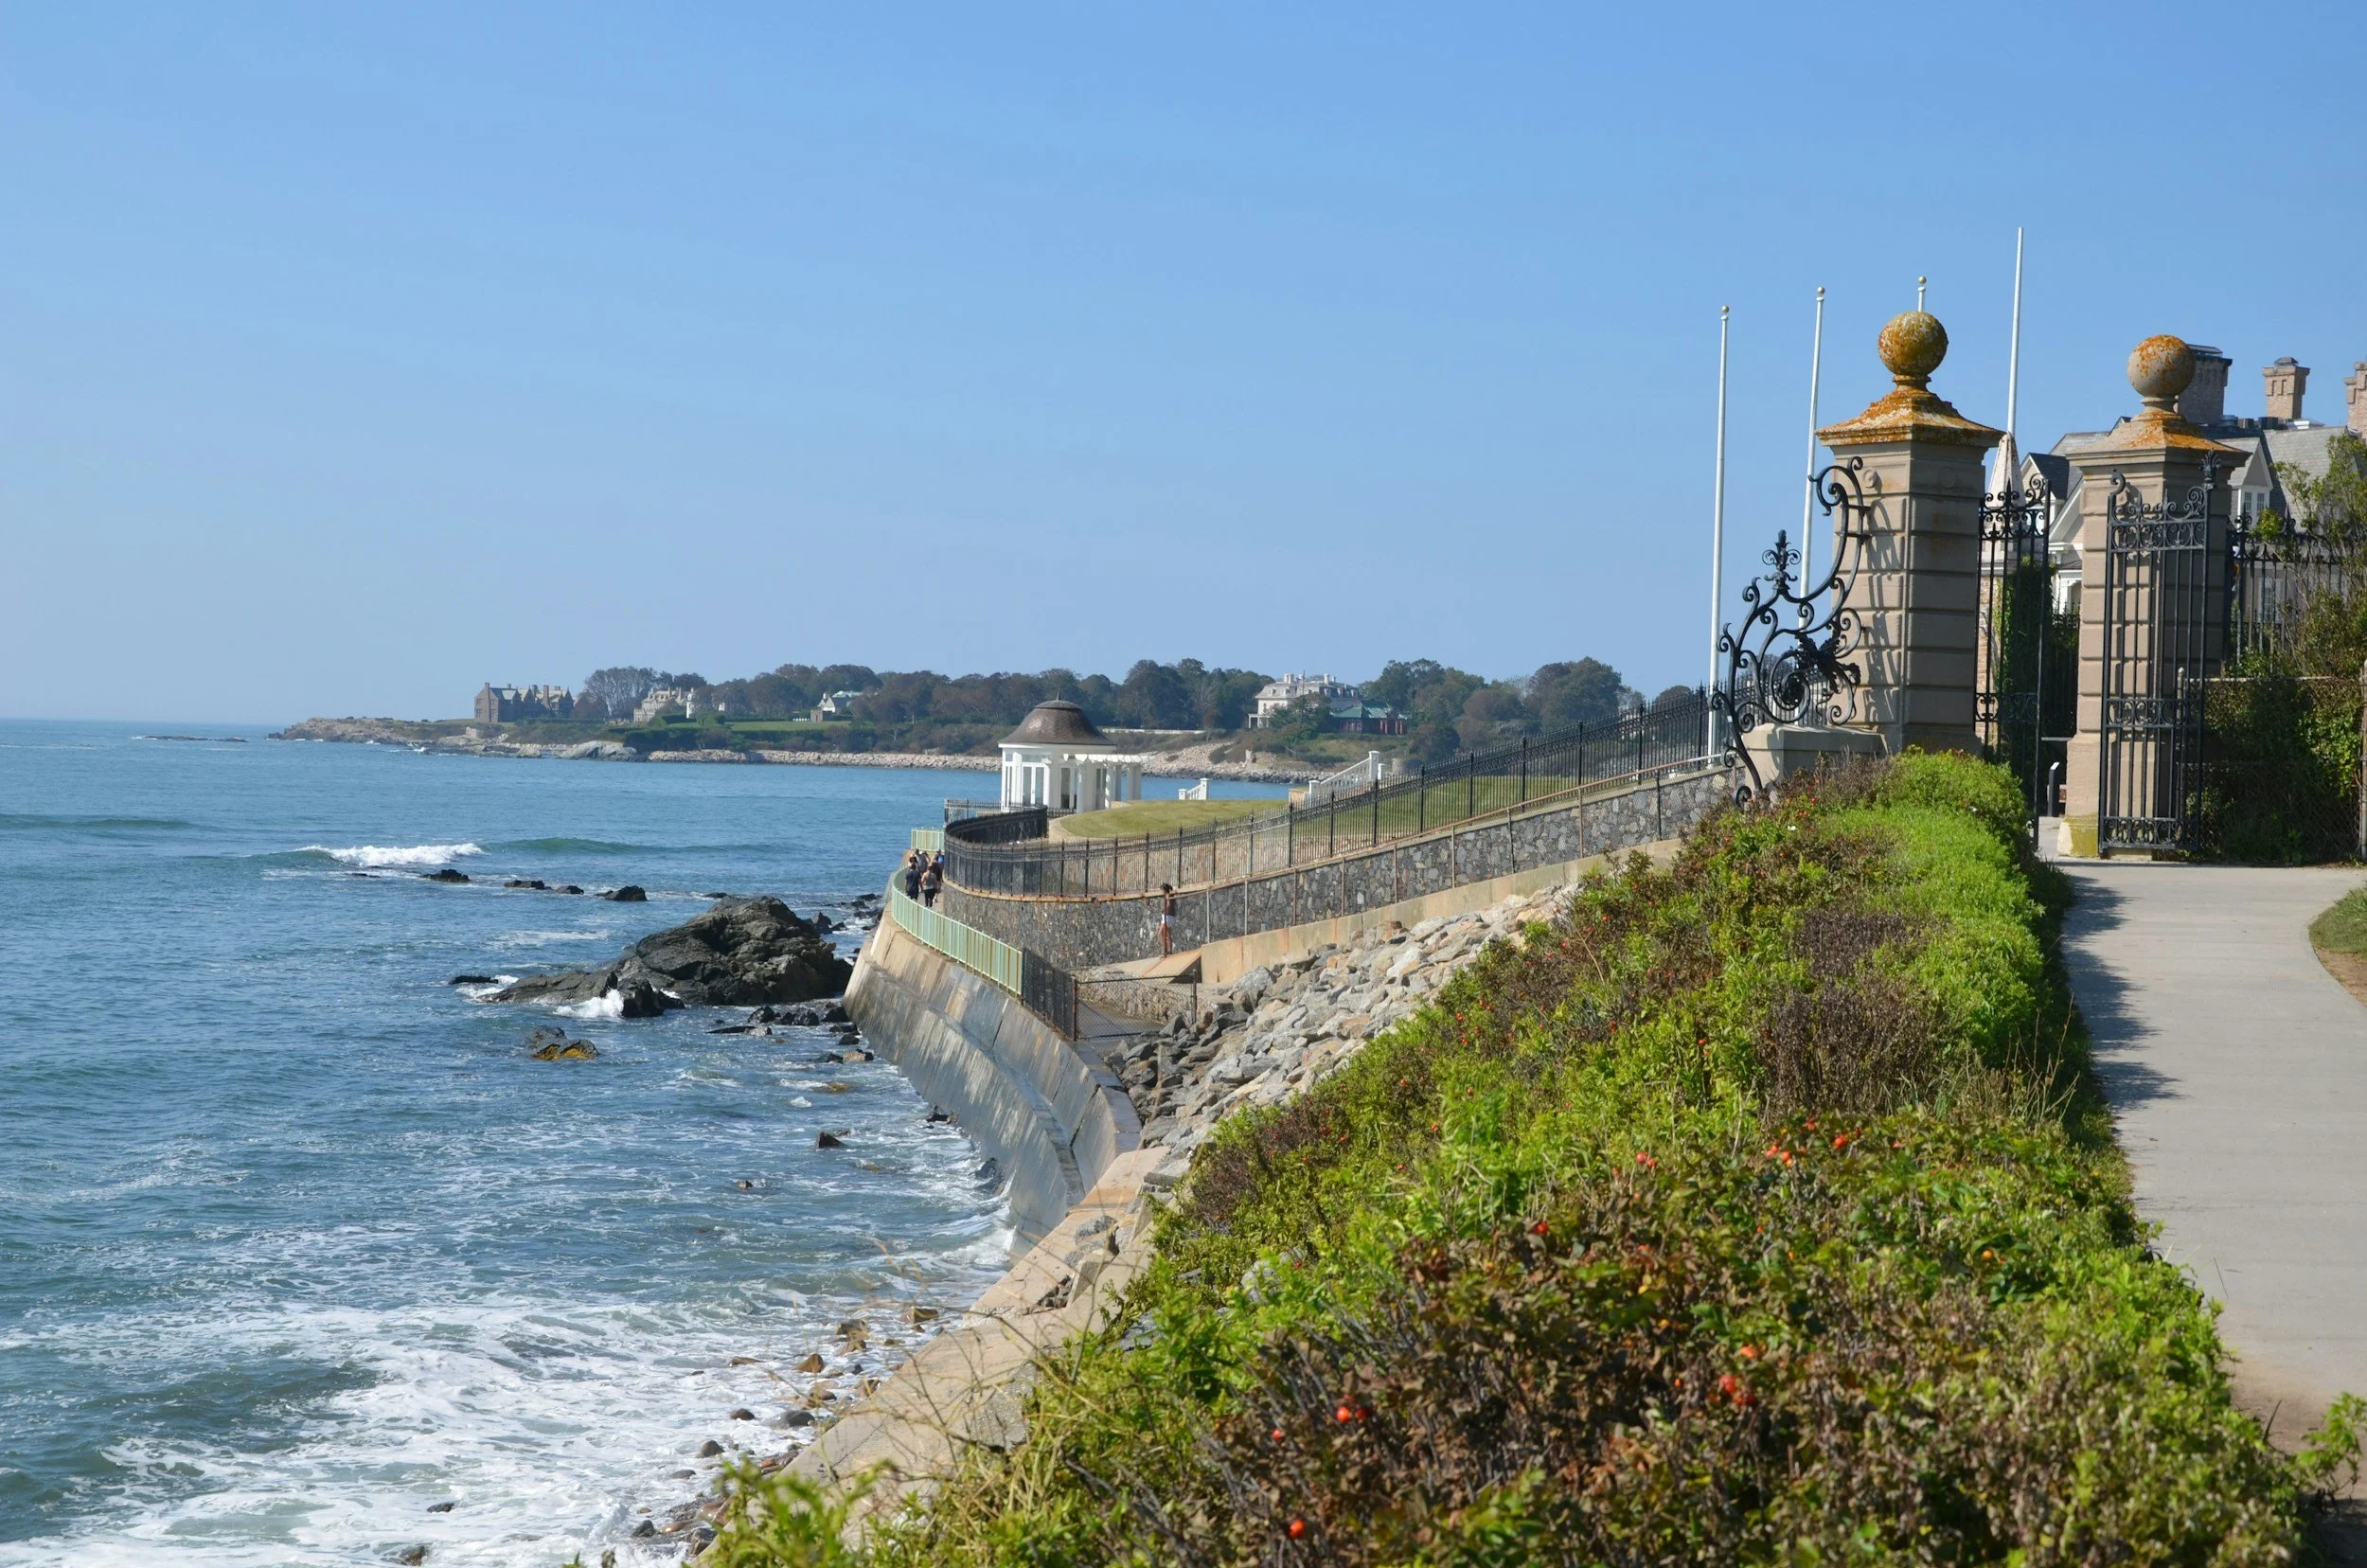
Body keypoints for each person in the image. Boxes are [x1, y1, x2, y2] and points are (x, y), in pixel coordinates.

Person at [1158, 882, 1177, 956]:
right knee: (1168, 934)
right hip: (1168, 916)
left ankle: (1165, 949)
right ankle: (1170, 950)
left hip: (1167, 917)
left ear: (1164, 890)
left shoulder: (1167, 895)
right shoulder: (1168, 895)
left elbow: (1168, 905)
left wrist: (1164, 910)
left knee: (1160, 933)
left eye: (1162, 890)